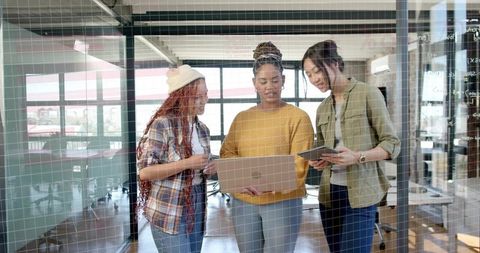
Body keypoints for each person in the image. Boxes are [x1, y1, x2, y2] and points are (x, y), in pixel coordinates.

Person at [301, 40, 401, 253]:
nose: (314, 79)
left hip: (360, 195)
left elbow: (392, 144)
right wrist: (317, 159)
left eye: (317, 71)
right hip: (329, 195)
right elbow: (323, 145)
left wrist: (358, 157)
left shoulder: (368, 94)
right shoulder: (322, 108)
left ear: (334, 63)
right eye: (308, 74)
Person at [220, 42, 314, 253]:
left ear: (283, 81)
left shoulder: (298, 117)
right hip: (244, 202)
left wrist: (271, 183)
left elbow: (300, 162)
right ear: (254, 83)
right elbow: (227, 152)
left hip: (283, 201)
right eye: (263, 81)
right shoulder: (242, 118)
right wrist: (243, 181)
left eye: (275, 80)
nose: (269, 86)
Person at [136, 65, 217, 253]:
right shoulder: (163, 124)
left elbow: (201, 164)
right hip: (168, 207)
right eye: (196, 97)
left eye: (205, 94)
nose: (203, 101)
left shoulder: (202, 129)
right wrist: (187, 163)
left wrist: (212, 166)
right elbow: (145, 172)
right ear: (180, 97)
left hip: (197, 202)